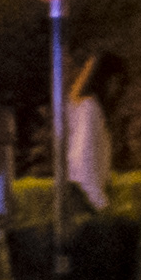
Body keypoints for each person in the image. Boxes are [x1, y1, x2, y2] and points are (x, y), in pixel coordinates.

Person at [57, 52, 116, 212]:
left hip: (86, 195)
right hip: (83, 192)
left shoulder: (87, 107)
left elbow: (85, 155)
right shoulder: (73, 105)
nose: (61, 75)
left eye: (67, 68)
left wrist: (95, 198)